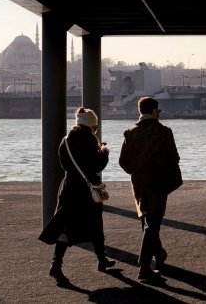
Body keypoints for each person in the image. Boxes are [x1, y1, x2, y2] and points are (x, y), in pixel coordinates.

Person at [39, 107, 114, 284]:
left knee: (65, 227)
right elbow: (97, 166)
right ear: (90, 126)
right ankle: (102, 260)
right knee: (95, 225)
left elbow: (64, 164)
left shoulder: (65, 141)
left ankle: (56, 265)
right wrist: (104, 152)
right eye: (95, 127)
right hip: (86, 191)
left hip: (69, 188)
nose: (95, 130)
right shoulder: (90, 140)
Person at [119, 97, 183, 281]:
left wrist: (135, 170)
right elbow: (174, 158)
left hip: (138, 182)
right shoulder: (164, 132)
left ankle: (159, 252)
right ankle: (144, 267)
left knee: (147, 220)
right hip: (158, 182)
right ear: (155, 111)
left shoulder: (130, 132)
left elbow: (123, 162)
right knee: (153, 222)